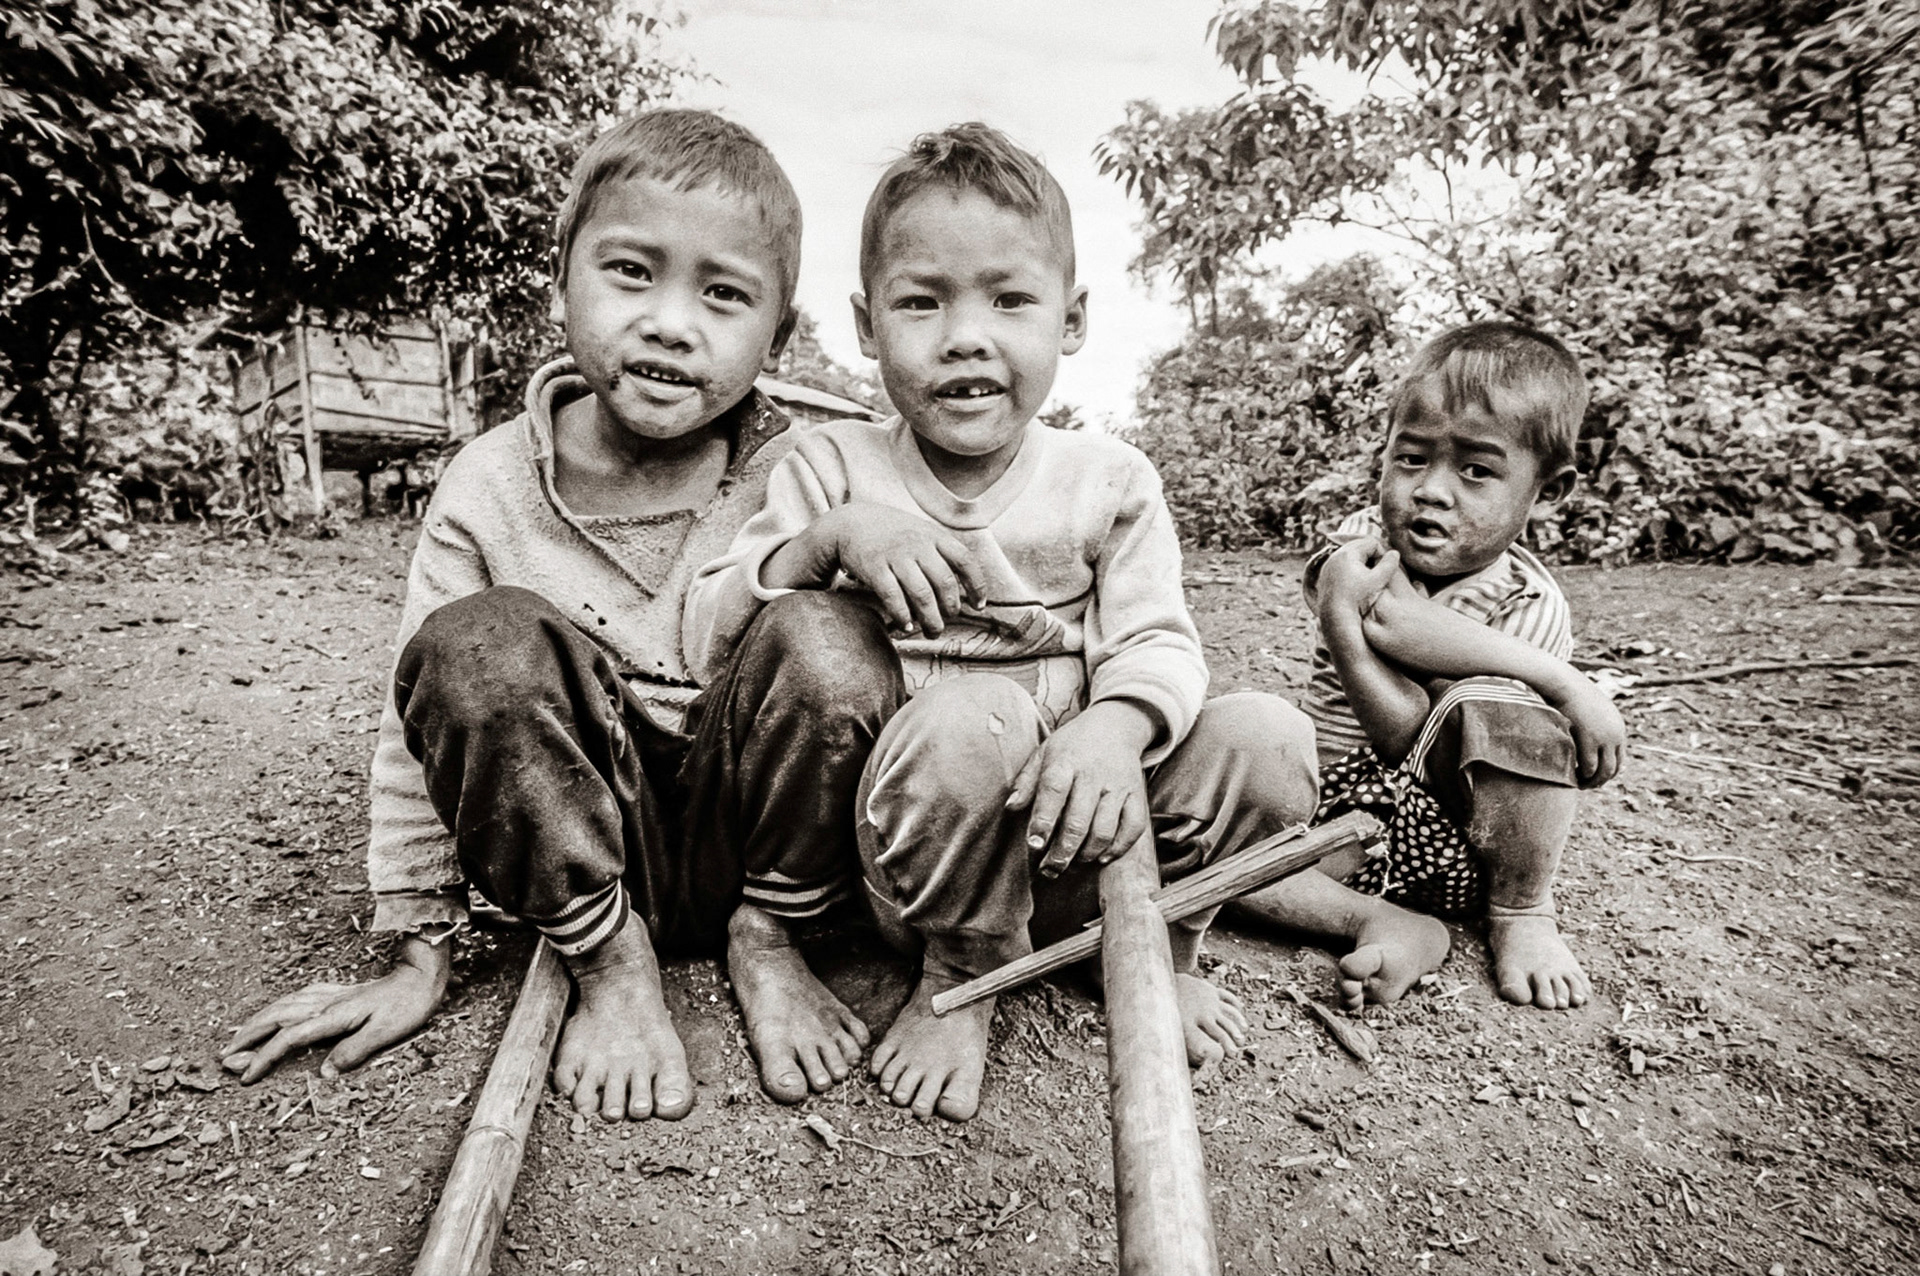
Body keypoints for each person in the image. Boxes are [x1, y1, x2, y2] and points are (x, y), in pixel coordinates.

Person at [222, 109, 903, 1120]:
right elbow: (416, 732)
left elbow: (884, 688)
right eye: (631, 272)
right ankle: (611, 961)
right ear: (561, 281)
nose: (671, 323)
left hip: (756, 841)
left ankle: (770, 935)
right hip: (573, 852)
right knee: (476, 644)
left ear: (779, 335)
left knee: (833, 635)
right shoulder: (488, 482)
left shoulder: (810, 471)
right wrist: (418, 948)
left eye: (723, 294)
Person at [684, 123, 1320, 1122]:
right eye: (922, 301)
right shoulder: (832, 467)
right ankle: (965, 966)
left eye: (1010, 300)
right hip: (921, 860)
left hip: (1088, 832)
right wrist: (827, 542)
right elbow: (714, 634)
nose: (966, 336)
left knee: (1269, 738)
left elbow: (1158, 642)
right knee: (970, 717)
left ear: (1072, 320)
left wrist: (1116, 727)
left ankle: (1152, 945)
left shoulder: (1110, 480)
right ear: (866, 325)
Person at [1226, 321, 1626, 1013]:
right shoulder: (1360, 543)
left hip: (1456, 846)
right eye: (1411, 458)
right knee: (1211, 851)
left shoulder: (1531, 605)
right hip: (1330, 824)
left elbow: (1418, 732)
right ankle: (1385, 923)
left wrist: (1554, 681)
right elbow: (1392, 625)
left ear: (1548, 490)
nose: (1432, 490)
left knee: (1504, 711)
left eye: (1476, 471)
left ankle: (1523, 912)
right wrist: (1563, 681)